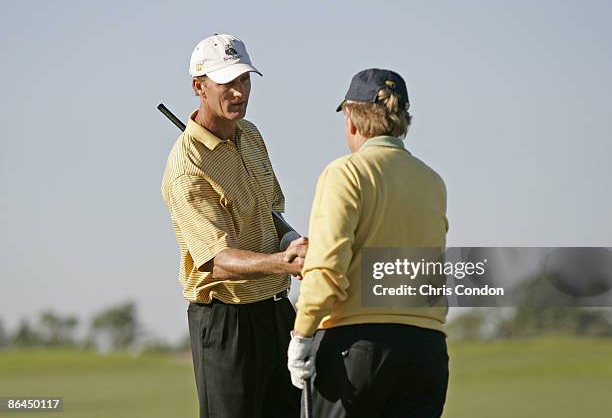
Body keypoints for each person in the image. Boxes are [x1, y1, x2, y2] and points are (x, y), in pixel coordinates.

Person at [287, 69, 450, 417]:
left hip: (358, 349)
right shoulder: (432, 181)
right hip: (426, 349)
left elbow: (327, 269)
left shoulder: (345, 173)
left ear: (352, 120)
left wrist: (302, 334)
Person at [161, 34, 304, 418]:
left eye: (244, 80)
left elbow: (271, 208)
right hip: (227, 323)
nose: (239, 92)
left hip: (276, 312)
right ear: (199, 87)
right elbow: (217, 260)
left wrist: (295, 240)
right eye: (227, 82)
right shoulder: (186, 168)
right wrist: (286, 263)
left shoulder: (251, 135)